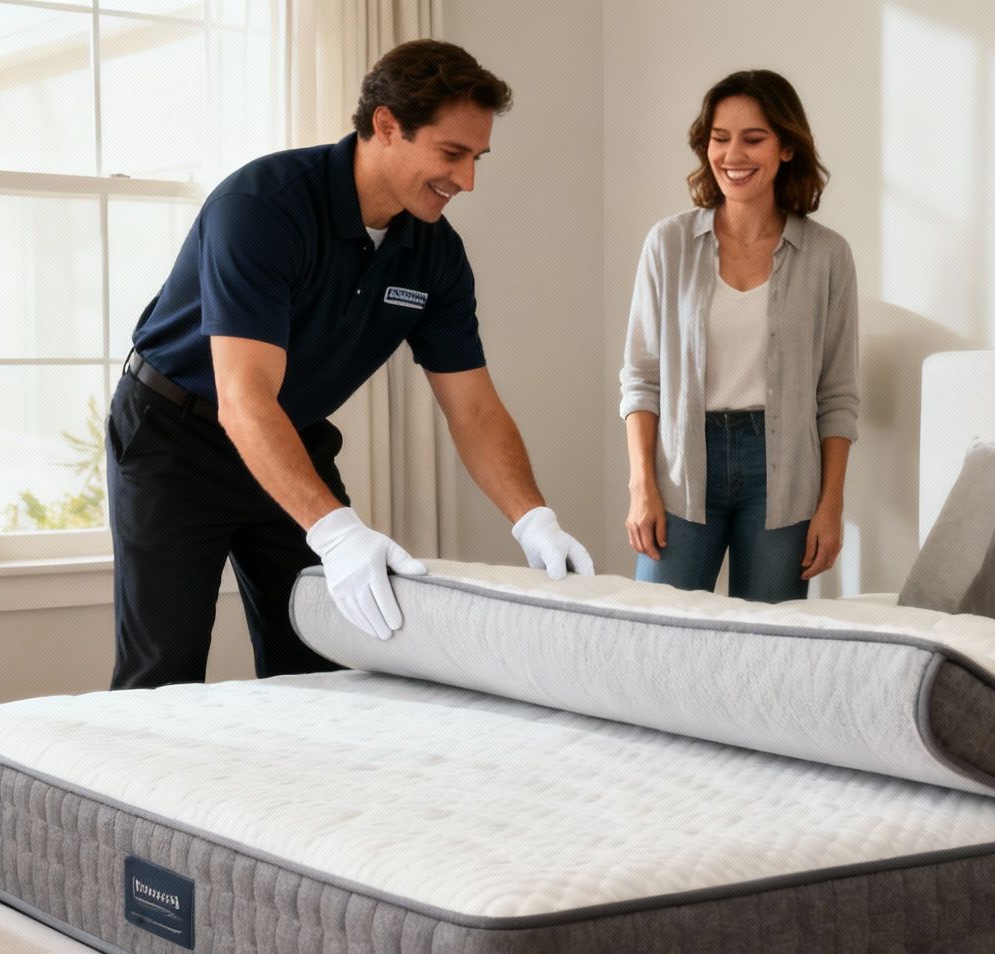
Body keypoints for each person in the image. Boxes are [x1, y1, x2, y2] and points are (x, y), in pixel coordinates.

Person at [108, 39, 592, 690]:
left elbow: (474, 409)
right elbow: (244, 397)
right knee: (164, 669)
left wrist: (534, 518)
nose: (468, 180)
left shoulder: (435, 255)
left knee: (320, 658)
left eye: (476, 158)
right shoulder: (263, 208)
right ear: (387, 126)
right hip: (175, 439)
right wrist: (337, 533)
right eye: (452, 154)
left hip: (291, 436)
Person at [618, 69, 859, 602]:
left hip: (784, 476)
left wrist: (830, 505)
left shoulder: (827, 256)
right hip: (681, 467)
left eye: (754, 139)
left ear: (786, 149)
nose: (733, 155)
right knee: (658, 636)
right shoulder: (669, 244)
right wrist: (642, 485)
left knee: (765, 651)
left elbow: (837, 396)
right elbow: (641, 378)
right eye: (720, 138)